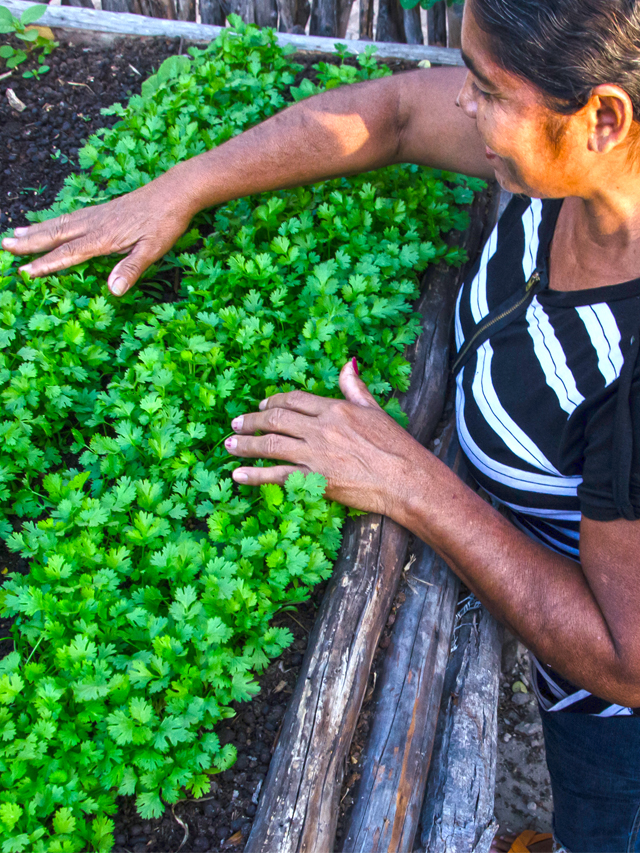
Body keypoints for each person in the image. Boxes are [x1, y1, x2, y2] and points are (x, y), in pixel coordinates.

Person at [4, 0, 640, 849]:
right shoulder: (572, 173)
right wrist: (182, 186)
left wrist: (413, 483)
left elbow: (623, 661)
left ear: (603, 117)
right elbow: (397, 111)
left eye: (488, 90)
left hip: (610, 729)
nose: (463, 104)